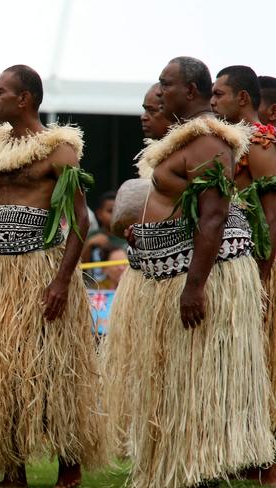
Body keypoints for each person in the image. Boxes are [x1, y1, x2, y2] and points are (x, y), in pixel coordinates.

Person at [0, 65, 104, 488]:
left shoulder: (59, 149)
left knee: (53, 367)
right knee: (0, 371)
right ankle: (13, 469)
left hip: (40, 269)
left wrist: (62, 282)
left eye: (1, 91)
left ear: (25, 99)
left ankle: (68, 463)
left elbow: (81, 220)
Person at [125, 57, 273, 488]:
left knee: (196, 386)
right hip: (171, 274)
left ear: (190, 91)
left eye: (165, 84)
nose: (158, 90)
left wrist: (194, 287)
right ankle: (181, 472)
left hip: (201, 279)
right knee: (176, 383)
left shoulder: (209, 142)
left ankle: (199, 473)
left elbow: (213, 217)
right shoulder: (184, 141)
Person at [212, 65, 276, 484]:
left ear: (243, 99)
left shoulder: (262, 141)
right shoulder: (225, 143)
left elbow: (272, 212)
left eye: (219, 94)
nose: (212, 100)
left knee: (264, 366)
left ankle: (267, 466)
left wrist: (264, 276)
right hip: (233, 266)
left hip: (260, 267)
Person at [102, 83, 169, 457]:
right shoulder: (152, 162)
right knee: (143, 369)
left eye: (153, 109)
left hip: (174, 279)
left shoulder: (203, 151)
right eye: (143, 108)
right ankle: (149, 446)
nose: (144, 116)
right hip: (142, 275)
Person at [81, 190, 127, 283]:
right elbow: (79, 268)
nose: (115, 215)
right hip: (94, 290)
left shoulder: (127, 236)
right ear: (99, 214)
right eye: (110, 211)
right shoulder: (90, 235)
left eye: (118, 211)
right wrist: (89, 245)